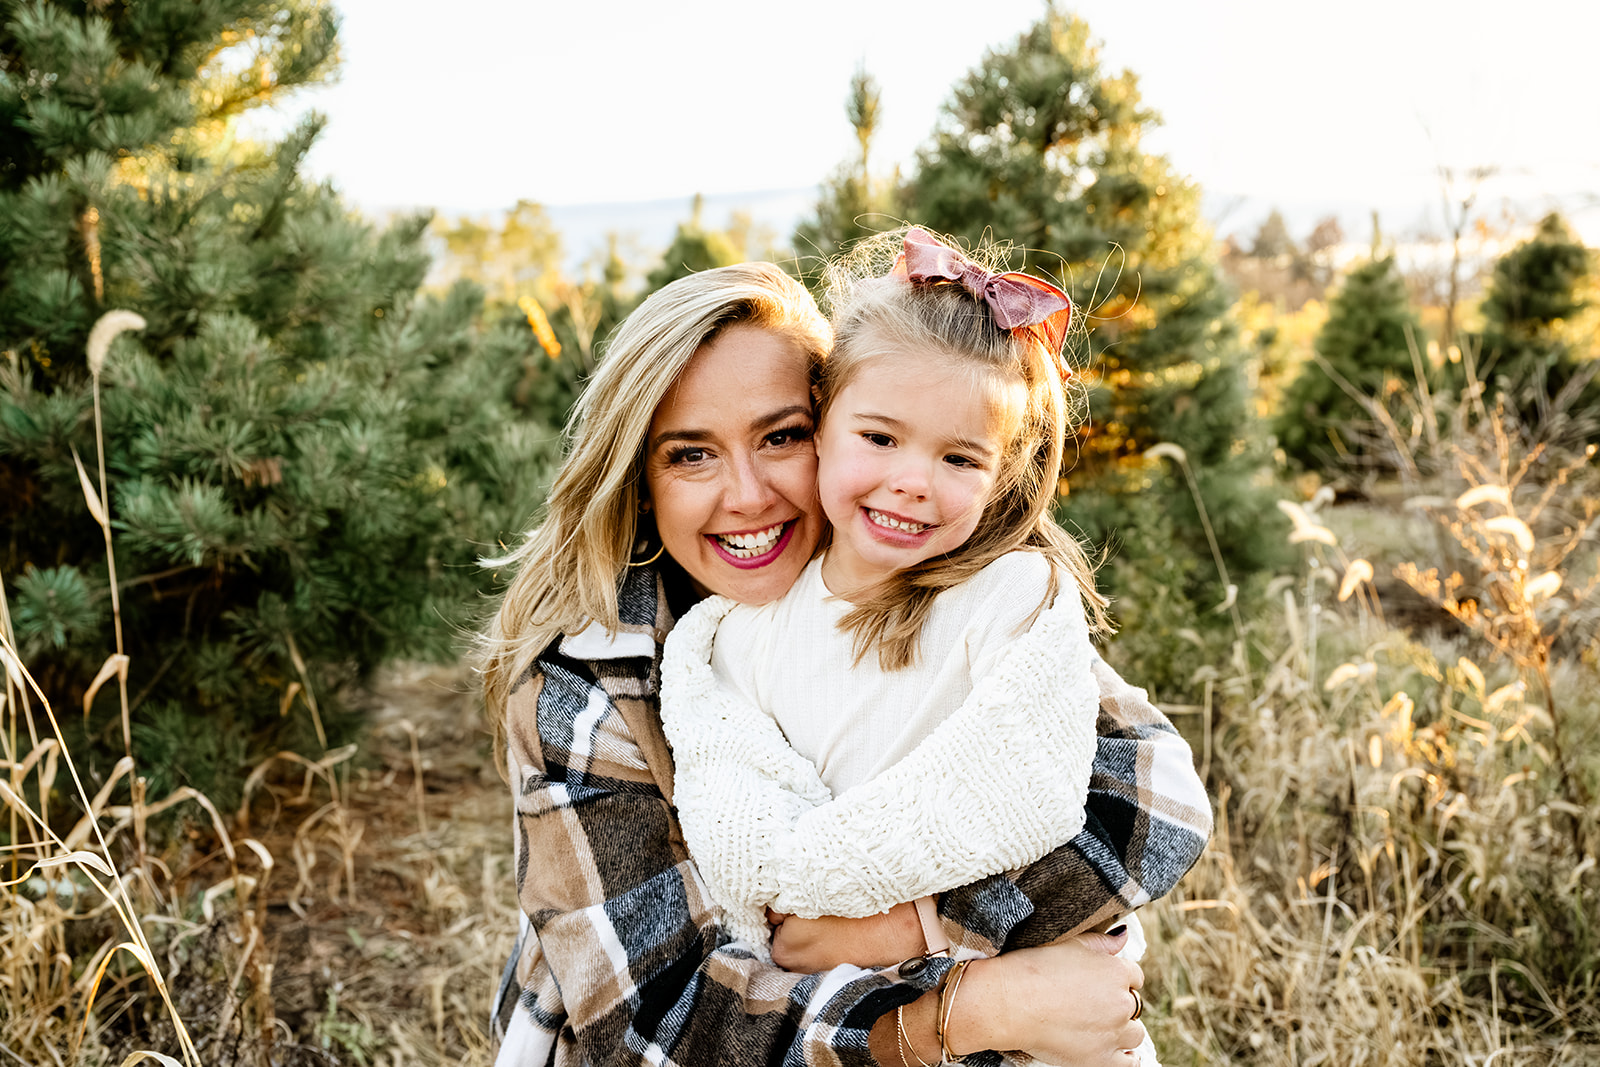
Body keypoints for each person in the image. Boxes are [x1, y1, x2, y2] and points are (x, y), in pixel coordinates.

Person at [482, 261, 1212, 1067]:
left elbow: (1155, 801)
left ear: (829, 426)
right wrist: (972, 1010)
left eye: (781, 436)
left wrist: (915, 924)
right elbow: (656, 1028)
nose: (751, 495)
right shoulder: (591, 677)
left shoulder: (918, 568)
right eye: (691, 455)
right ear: (638, 479)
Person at [657, 228, 1177, 1065]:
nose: (912, 480)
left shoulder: (1008, 600)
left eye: (959, 456)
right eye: (881, 438)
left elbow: (1033, 787)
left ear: (1002, 473)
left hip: (1036, 1018)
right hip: (851, 1016)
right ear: (819, 429)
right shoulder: (738, 633)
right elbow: (735, 804)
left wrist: (906, 922)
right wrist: (788, 882)